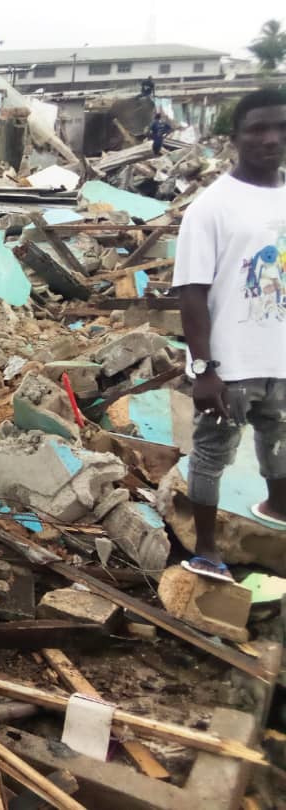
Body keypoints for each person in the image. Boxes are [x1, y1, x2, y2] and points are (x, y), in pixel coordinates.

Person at [172, 88, 286, 582]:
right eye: (258, 129)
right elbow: (191, 292)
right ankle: (205, 547)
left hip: (279, 358)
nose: (271, 139)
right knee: (213, 455)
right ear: (235, 138)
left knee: (278, 444)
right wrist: (204, 369)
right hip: (230, 366)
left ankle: (276, 510)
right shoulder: (211, 206)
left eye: (279, 128)